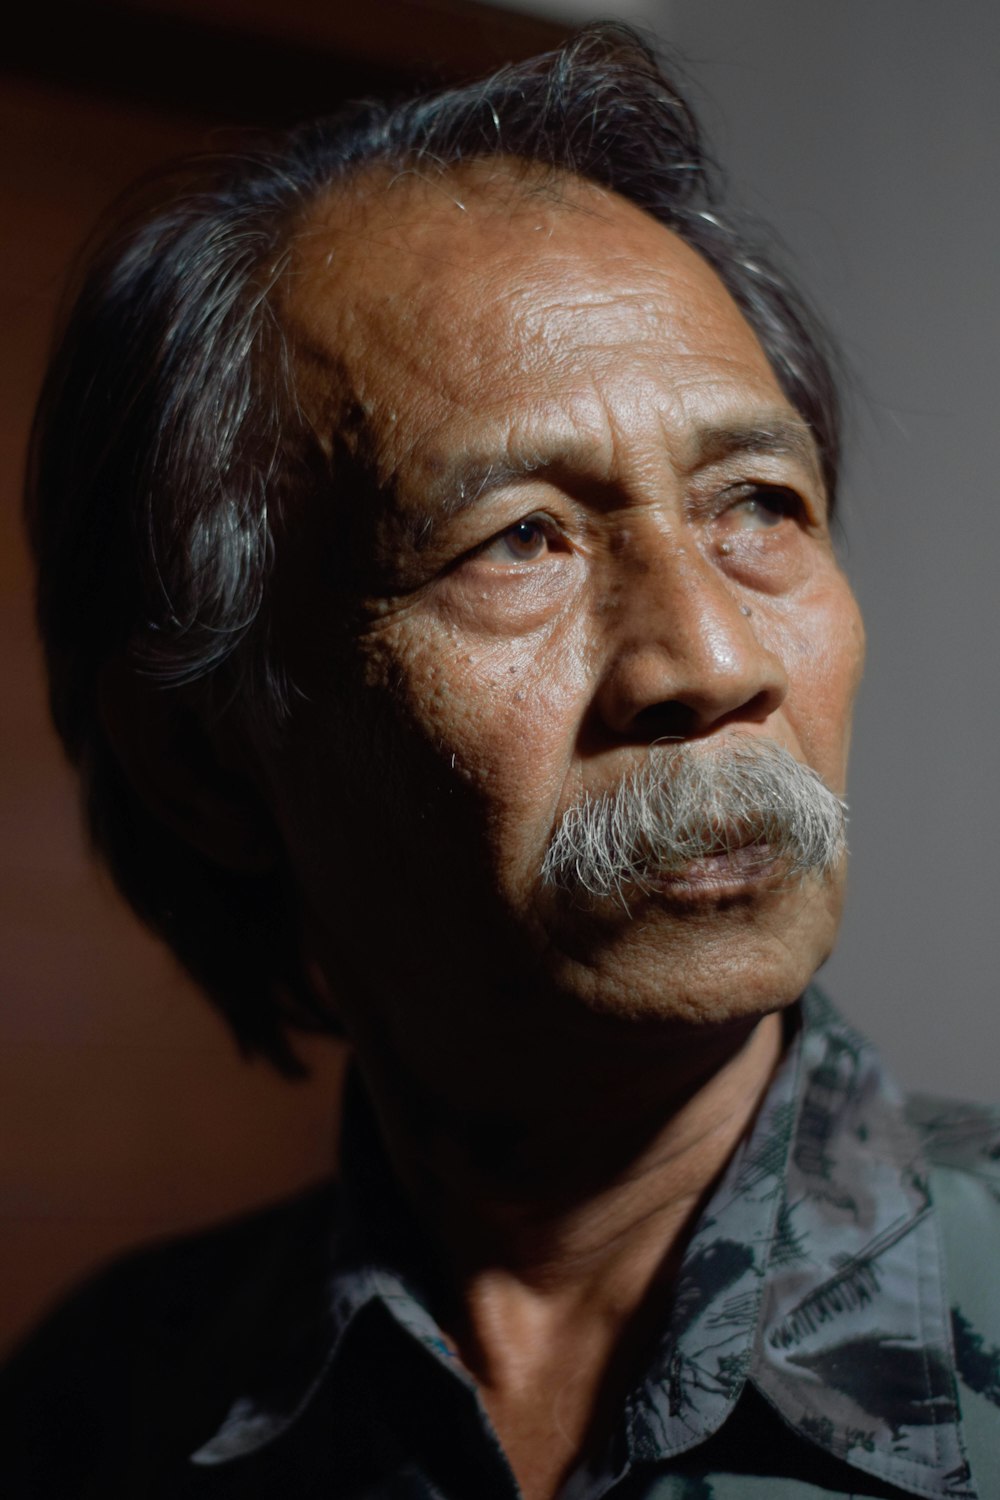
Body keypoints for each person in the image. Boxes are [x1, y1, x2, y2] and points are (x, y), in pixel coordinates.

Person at [4, 22, 999, 1500]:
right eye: (518, 537)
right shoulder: (104, 1414)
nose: (717, 664)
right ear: (208, 762)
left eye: (759, 505)